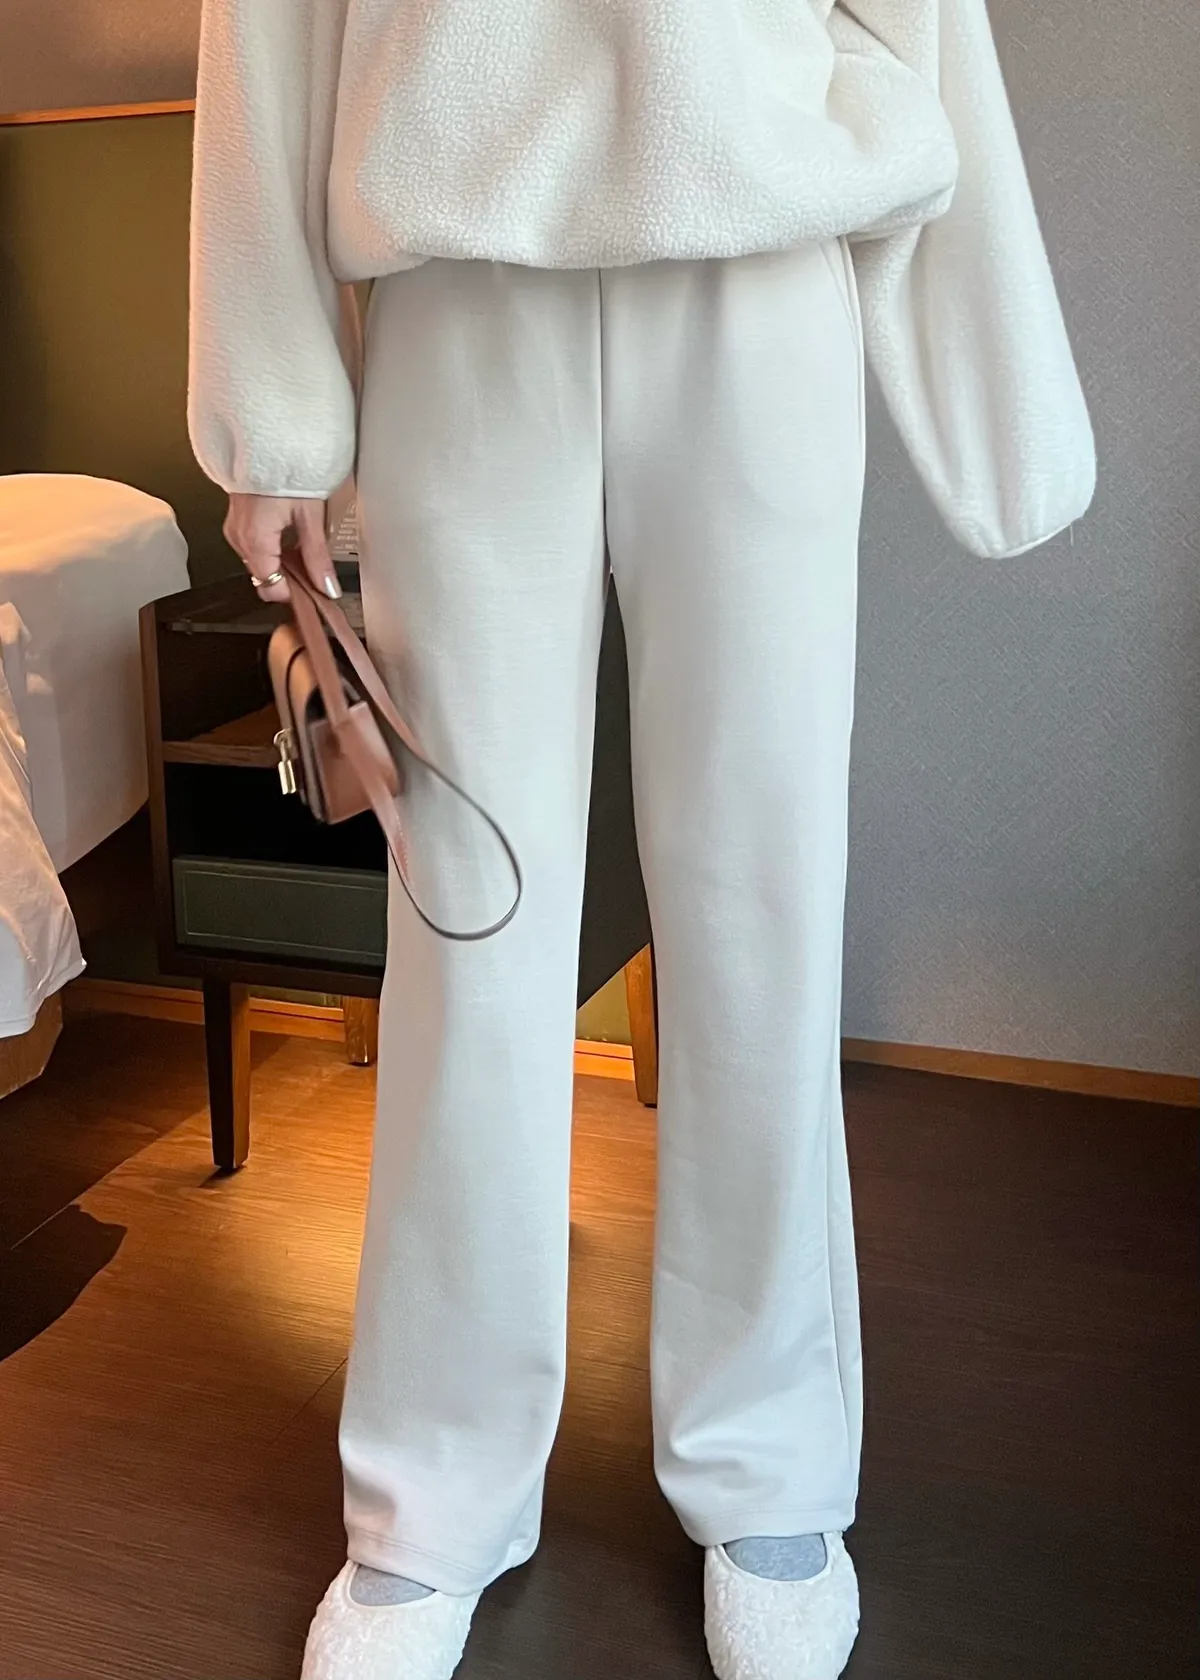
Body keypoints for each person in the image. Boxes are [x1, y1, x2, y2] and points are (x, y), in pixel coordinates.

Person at [188, 4, 1095, 1676]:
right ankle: (432, 1492)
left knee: (763, 899)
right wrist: (271, 407)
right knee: (466, 912)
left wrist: (994, 379)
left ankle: (772, 1461)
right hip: (456, 263)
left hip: (757, 251)